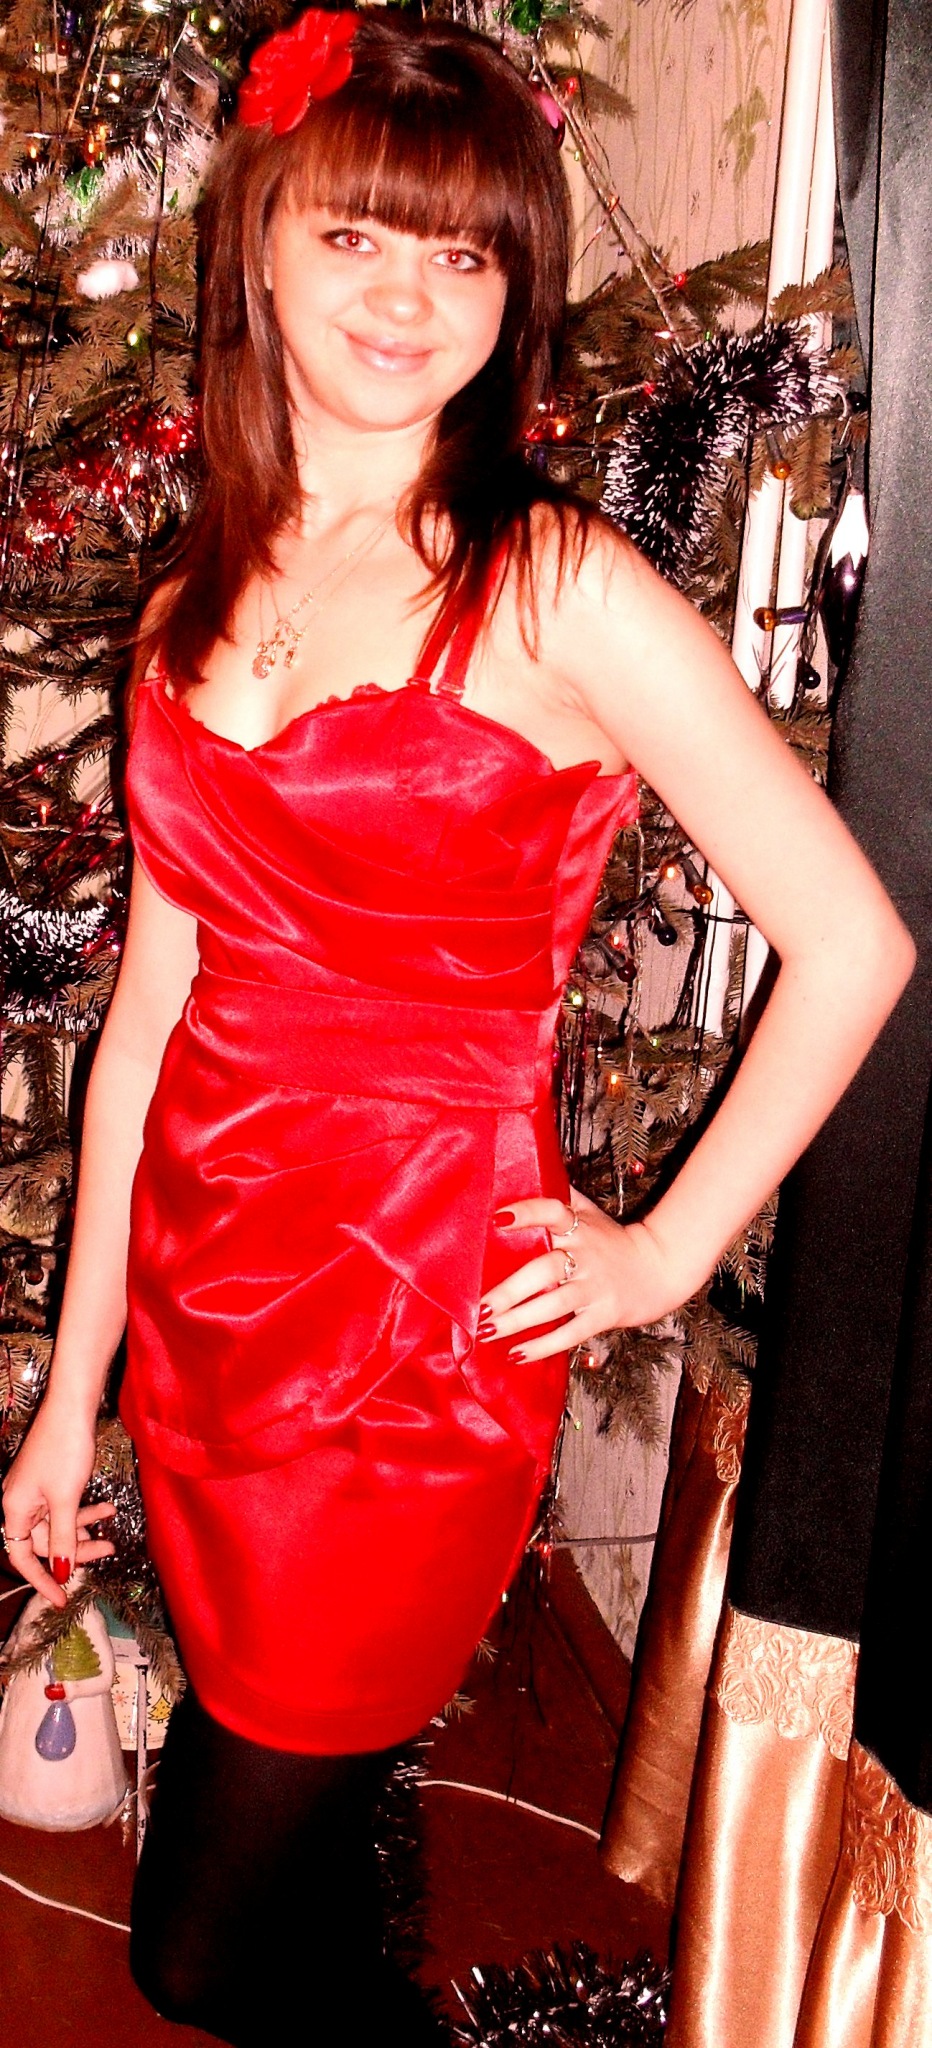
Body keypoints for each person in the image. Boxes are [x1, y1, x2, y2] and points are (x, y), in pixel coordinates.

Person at [0, 9, 915, 2042]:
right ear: (258, 247)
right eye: (355, 237)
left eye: (463, 254)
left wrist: (658, 1252)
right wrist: (76, 1393)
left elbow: (852, 939)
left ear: (515, 296)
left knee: (195, 1946)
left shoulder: (554, 584)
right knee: (296, 1865)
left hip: (409, 1338)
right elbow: (148, 1018)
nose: (406, 296)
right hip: (214, 1314)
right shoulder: (191, 596)